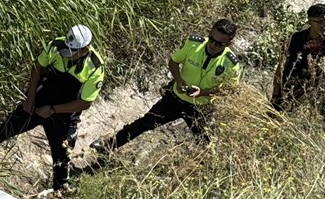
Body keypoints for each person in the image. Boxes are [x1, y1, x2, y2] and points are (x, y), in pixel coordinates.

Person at [0, 25, 105, 191]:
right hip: (38, 103)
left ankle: (58, 197)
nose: (66, 55)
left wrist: (53, 110)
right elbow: (37, 66)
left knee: (62, 159)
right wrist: (30, 97)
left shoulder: (95, 68)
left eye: (71, 53)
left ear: (84, 50)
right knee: (5, 129)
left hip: (64, 117)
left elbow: (85, 103)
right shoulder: (57, 45)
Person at [90, 18, 241, 158]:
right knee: (145, 123)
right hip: (175, 99)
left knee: (206, 142)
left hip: (200, 108)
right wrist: (179, 80)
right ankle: (108, 145)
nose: (213, 45)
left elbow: (230, 90)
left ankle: (206, 171)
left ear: (228, 43)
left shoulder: (231, 64)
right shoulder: (194, 44)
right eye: (211, 39)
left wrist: (203, 92)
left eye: (219, 43)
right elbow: (173, 62)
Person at [271, 3, 325, 112]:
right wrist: (275, 94)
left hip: (318, 94)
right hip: (291, 89)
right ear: (310, 22)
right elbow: (281, 67)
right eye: (321, 21)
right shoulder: (296, 39)